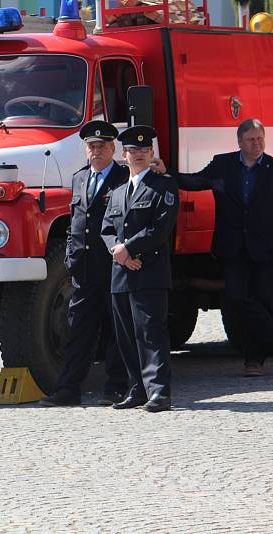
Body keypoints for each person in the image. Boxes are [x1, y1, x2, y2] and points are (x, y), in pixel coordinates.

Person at [171, 118, 273, 377]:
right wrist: (164, 174)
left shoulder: (272, 167)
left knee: (264, 299)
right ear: (239, 141)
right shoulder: (223, 164)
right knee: (238, 299)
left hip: (265, 248)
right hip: (232, 248)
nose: (256, 144)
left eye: (260, 139)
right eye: (251, 139)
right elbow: (194, 182)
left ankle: (255, 360)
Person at [40, 120, 129, 407]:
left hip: (113, 267)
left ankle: (115, 387)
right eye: (91, 146)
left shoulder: (125, 178)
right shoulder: (79, 178)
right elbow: (75, 223)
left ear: (113, 148)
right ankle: (68, 389)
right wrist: (69, 255)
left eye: (102, 146)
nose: (96, 151)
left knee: (117, 329)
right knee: (78, 331)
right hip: (83, 270)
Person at [101, 125, 179, 413]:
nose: (138, 155)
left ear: (151, 153)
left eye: (144, 150)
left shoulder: (163, 186)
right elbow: (107, 228)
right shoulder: (119, 192)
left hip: (150, 271)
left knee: (151, 332)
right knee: (125, 335)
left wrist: (129, 250)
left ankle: (159, 392)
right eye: (133, 151)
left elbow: (160, 228)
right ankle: (137, 389)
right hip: (121, 273)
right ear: (124, 155)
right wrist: (118, 253)